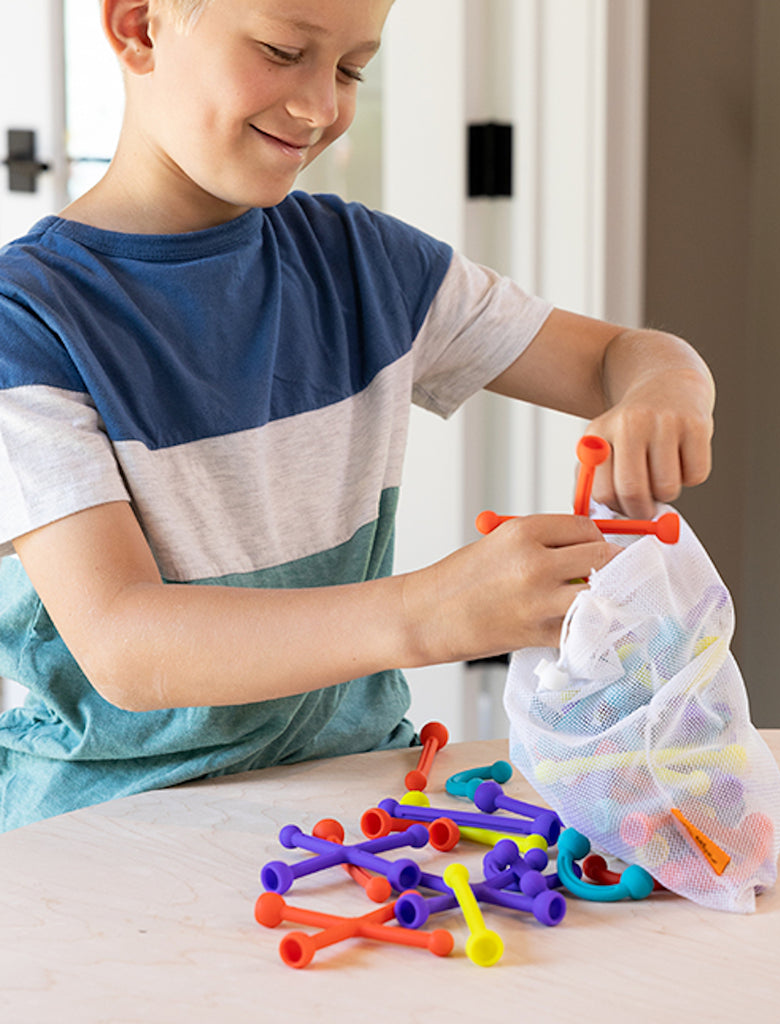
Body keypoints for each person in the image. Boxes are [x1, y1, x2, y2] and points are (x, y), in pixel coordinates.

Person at [0, 0, 715, 830]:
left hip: (354, 808)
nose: (321, 108)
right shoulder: (27, 322)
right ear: (137, 26)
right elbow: (125, 644)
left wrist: (666, 390)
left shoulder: (367, 264)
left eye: (350, 70)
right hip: (108, 826)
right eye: (281, 51)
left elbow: (618, 355)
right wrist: (431, 612)